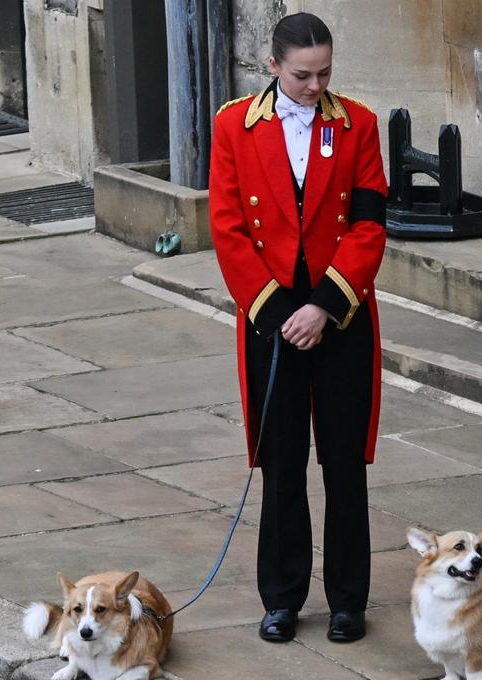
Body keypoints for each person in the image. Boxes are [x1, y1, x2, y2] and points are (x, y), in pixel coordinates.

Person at [208, 12, 387, 645]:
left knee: (344, 464)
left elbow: (368, 225)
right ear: (274, 67)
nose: (316, 87)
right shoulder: (234, 124)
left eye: (326, 73)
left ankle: (347, 599)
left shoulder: (358, 124)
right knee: (281, 461)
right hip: (272, 319)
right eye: (304, 75)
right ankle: (282, 597)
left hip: (338, 314)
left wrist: (325, 306)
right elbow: (227, 229)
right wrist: (279, 312)